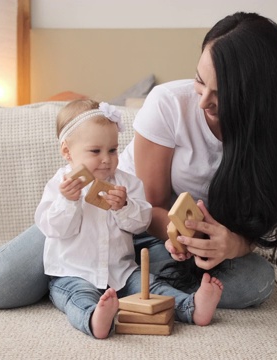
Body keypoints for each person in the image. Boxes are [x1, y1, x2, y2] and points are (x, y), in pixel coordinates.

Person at [0, 11, 277, 311]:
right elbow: (149, 209)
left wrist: (230, 244)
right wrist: (183, 237)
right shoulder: (168, 104)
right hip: (106, 219)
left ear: (256, 96)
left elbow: (255, 226)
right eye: (199, 82)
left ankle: (85, 280)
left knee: (255, 281)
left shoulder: (272, 139)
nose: (202, 102)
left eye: (220, 93)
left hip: (162, 246)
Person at [35, 99, 223, 339]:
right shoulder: (59, 186)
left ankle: (191, 307)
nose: (106, 159)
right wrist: (68, 202)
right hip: (73, 273)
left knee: (152, 288)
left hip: (121, 271)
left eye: (112, 150)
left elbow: (141, 223)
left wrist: (124, 206)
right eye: (95, 151)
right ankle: (94, 318)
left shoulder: (126, 183)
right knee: (76, 298)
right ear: (66, 151)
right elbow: (54, 229)